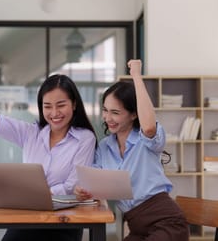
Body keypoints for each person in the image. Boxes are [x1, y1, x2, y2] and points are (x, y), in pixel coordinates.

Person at [0, 51, 97, 241]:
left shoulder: (85, 138)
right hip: (28, 216)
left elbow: (72, 186)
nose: (54, 112)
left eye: (61, 105)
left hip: (64, 220)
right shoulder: (31, 133)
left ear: (73, 104)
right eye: (47, 106)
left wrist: (33, 194)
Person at [75, 59, 189, 241]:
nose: (108, 118)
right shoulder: (104, 147)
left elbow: (149, 127)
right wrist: (83, 190)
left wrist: (136, 74)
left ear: (134, 114)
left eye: (115, 112)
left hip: (167, 222)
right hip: (136, 227)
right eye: (105, 110)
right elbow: (94, 182)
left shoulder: (147, 141)